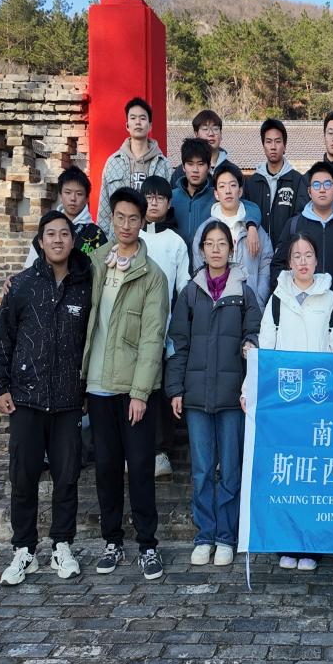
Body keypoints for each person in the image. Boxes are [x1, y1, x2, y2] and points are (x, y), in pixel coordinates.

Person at [0, 211, 92, 586]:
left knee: (67, 477)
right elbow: (2, 338)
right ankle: (24, 550)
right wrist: (0, 386)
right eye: (51, 234)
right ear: (40, 241)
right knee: (23, 476)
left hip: (68, 400)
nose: (58, 240)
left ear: (73, 240)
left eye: (64, 234)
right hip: (26, 398)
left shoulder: (86, 285)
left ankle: (62, 545)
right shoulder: (21, 286)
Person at [83, 187, 170, 582]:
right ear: (112, 218)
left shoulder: (153, 276)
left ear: (143, 221)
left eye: (134, 218)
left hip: (134, 390)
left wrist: (140, 392)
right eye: (120, 217)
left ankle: (148, 545)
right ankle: (112, 541)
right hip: (98, 384)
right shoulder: (96, 263)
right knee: (105, 468)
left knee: (139, 468)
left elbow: (153, 339)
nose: (126, 225)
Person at [167, 222, 262, 569]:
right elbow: (178, 343)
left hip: (232, 397)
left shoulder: (244, 293)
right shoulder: (191, 293)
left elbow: (255, 332)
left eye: (222, 244)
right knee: (203, 470)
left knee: (231, 470)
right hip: (196, 397)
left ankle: (226, 536)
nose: (216, 249)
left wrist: (249, 343)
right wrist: (175, 389)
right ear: (202, 250)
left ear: (231, 250)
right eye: (210, 244)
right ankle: (204, 535)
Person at [260, 233, 333, 573]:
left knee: (316, 474)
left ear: (316, 260)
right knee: (289, 473)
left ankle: (313, 545)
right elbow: (266, 350)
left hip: (319, 402)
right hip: (286, 402)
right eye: (297, 256)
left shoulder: (330, 298)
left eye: (308, 255)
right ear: (289, 262)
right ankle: (287, 542)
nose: (303, 261)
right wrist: (252, 389)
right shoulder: (277, 299)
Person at [139, 175, 192, 479]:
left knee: (161, 390)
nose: (154, 202)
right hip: (133, 328)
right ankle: (135, 449)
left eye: (160, 197)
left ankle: (161, 452)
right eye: (149, 197)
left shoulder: (175, 242)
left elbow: (184, 287)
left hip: (165, 327)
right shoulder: (131, 237)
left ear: (169, 203)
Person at [272, 162, 333, 308]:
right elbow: (278, 266)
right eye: (316, 185)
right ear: (309, 191)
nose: (322, 190)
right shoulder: (294, 226)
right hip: (300, 310)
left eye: (327, 184)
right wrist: (290, 299)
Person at [172, 137, 263, 266]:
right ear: (183, 167)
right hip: (177, 266)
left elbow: (249, 206)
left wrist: (252, 226)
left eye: (201, 164)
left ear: (209, 167)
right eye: (190, 164)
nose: (195, 170)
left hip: (207, 267)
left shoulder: (217, 195)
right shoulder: (172, 197)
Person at [191, 165, 273, 306]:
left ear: (240, 191)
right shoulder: (204, 230)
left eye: (233, 185)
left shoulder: (255, 229)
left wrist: (258, 300)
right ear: (216, 194)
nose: (228, 191)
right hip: (215, 305)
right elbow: (199, 269)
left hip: (250, 305)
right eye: (222, 186)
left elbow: (265, 266)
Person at [97, 97, 170, 237]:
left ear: (150, 126)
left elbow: (169, 204)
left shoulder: (163, 163)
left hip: (153, 236)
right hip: (119, 237)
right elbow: (104, 207)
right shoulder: (113, 162)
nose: (138, 122)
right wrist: (103, 239)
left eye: (142, 118)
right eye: (133, 118)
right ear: (127, 125)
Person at [24, 168, 107, 267]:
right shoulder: (46, 230)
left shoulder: (95, 234)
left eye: (79, 194)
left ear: (87, 199)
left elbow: (102, 271)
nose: (73, 198)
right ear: (60, 195)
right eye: (68, 192)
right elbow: (28, 269)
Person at [244, 118, 301, 242]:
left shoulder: (297, 180)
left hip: (287, 250)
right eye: (268, 142)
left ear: (284, 146)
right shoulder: (251, 183)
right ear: (263, 145)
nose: (273, 147)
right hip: (258, 249)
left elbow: (299, 219)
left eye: (278, 141)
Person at [172, 109, 243, 185]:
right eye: (205, 129)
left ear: (221, 134)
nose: (211, 134)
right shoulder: (181, 172)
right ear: (196, 134)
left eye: (215, 129)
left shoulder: (233, 170)